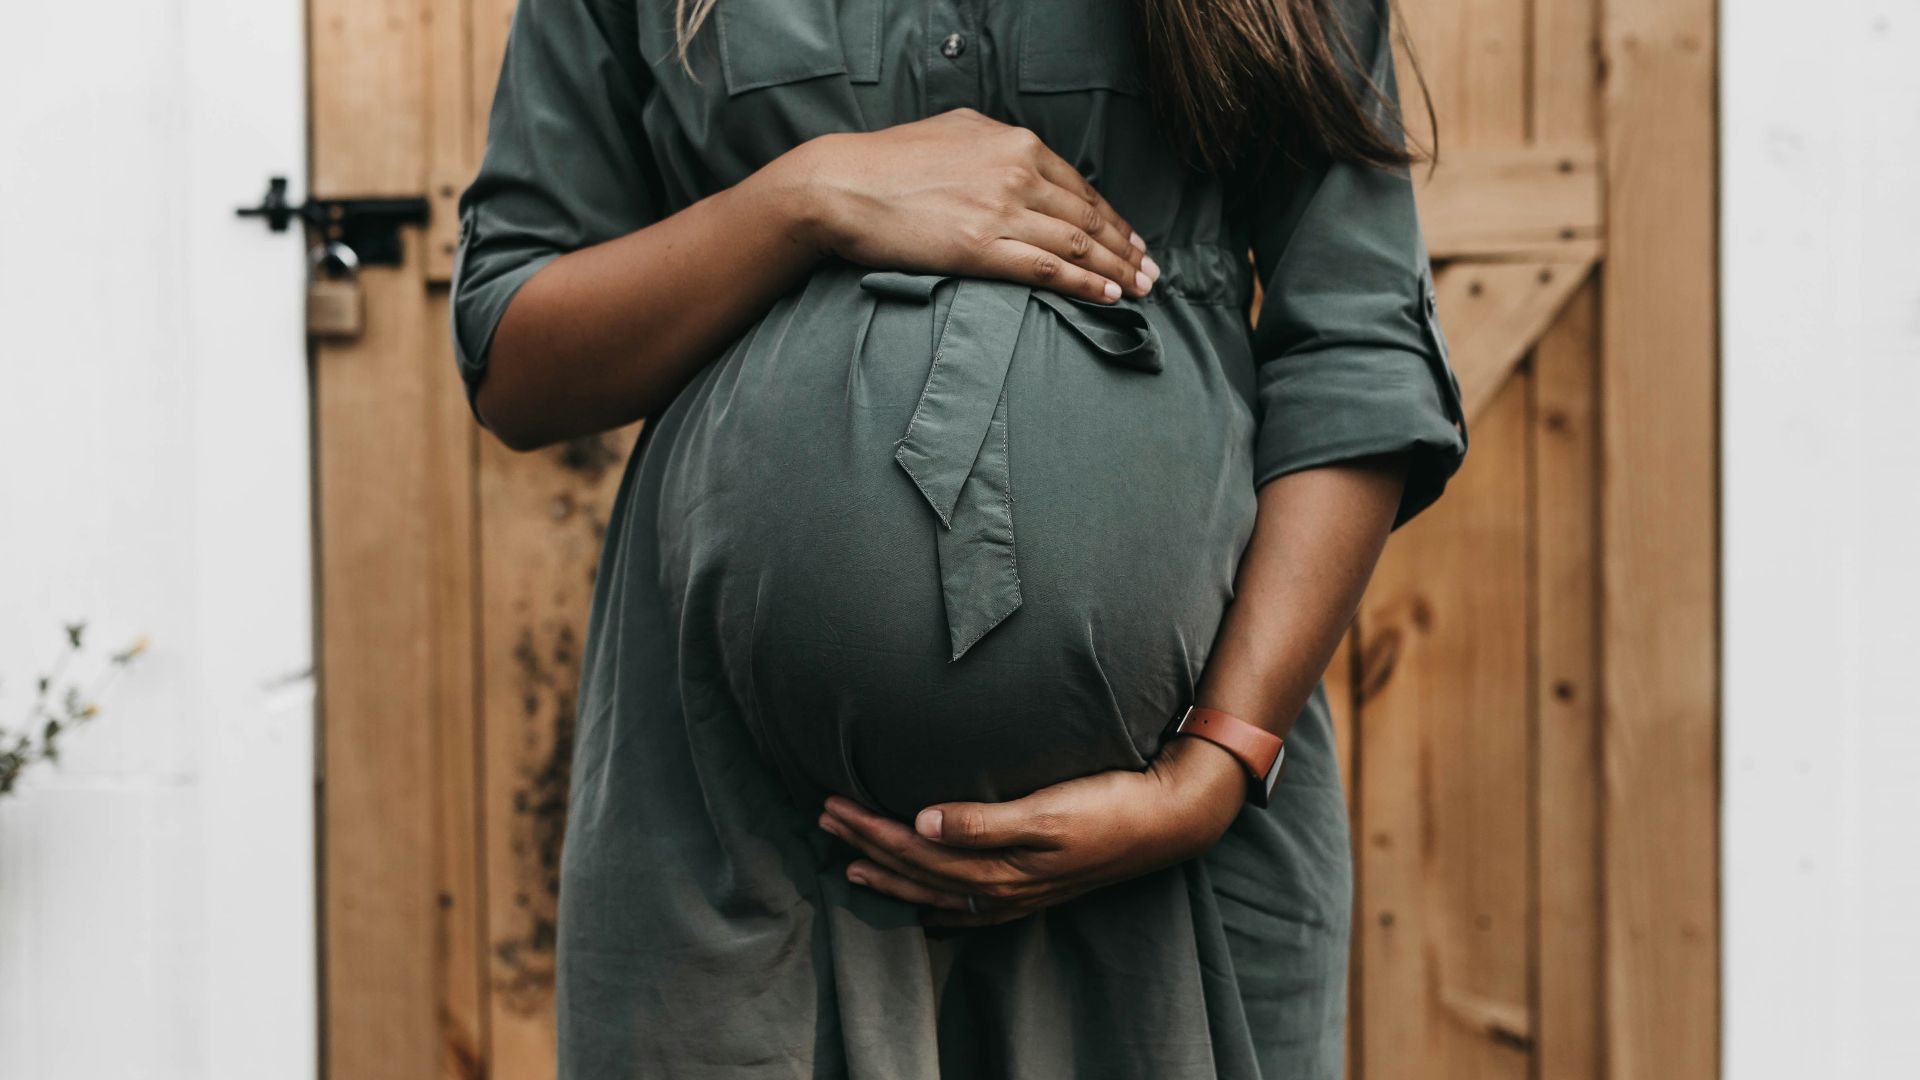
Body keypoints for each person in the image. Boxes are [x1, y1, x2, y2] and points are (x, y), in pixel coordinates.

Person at [451, 0, 1466, 1075]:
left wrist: (1216, 766)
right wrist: (804, 199)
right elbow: (517, 356)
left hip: (1177, 853)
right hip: (739, 845)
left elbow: (1356, 345)